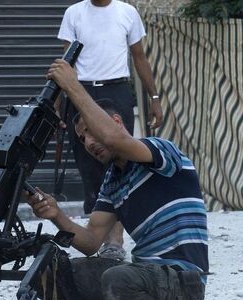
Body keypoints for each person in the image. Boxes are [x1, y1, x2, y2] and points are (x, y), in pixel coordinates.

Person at [27, 60, 208, 300]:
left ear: (116, 121)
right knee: (47, 274)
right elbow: (91, 242)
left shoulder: (160, 151)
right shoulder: (113, 181)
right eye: (82, 138)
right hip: (146, 277)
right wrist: (56, 214)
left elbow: (114, 139)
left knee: (117, 277)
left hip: (183, 281)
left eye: (90, 131)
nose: (88, 142)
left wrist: (72, 86)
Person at [57, 0, 163, 260]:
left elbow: (139, 57)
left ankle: (115, 241)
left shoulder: (127, 12)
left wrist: (155, 97)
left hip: (116, 90)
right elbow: (65, 62)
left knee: (119, 161)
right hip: (81, 90)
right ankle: (95, 237)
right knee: (88, 164)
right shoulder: (74, 13)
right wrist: (57, 104)